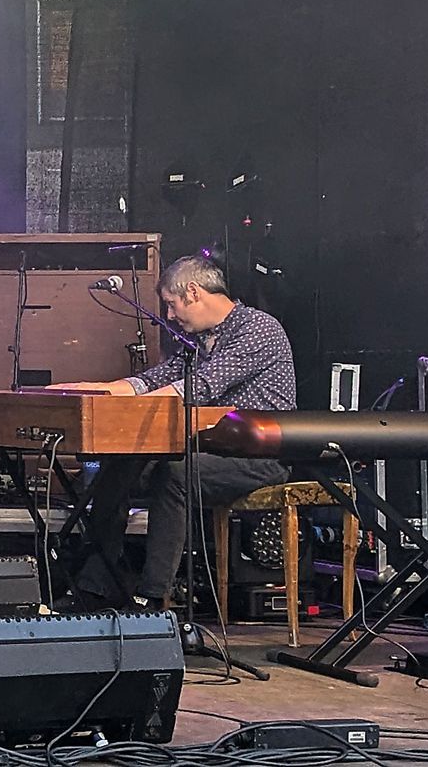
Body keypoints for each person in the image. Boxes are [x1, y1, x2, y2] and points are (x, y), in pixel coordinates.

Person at [61, 255, 296, 610]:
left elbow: (200, 387)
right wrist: (90, 391)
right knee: (119, 464)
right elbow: (153, 381)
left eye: (171, 304)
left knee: (174, 474)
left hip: (259, 456)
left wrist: (129, 409)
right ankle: (95, 586)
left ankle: (153, 597)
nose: (170, 315)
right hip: (208, 450)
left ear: (193, 292)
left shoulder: (259, 329)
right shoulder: (199, 342)